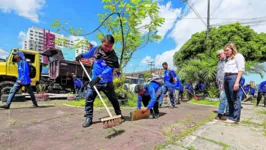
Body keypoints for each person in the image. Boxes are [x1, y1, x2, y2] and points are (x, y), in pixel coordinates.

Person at [75, 35, 123, 128]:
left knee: (113, 99)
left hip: (107, 82)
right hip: (94, 81)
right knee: (89, 98)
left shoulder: (113, 57)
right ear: (102, 42)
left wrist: (99, 78)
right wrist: (81, 56)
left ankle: (119, 114)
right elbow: (89, 54)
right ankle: (88, 117)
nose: (108, 48)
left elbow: (110, 69)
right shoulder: (96, 49)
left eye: (110, 46)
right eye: (106, 45)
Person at [223, 43, 245, 123]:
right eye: (225, 50)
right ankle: (230, 116)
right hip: (226, 77)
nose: (226, 52)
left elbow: (240, 70)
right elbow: (225, 71)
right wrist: (223, 83)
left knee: (234, 98)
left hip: (234, 77)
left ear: (232, 49)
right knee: (229, 99)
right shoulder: (227, 59)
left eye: (227, 50)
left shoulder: (238, 56)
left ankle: (235, 118)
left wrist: (236, 82)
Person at [215, 49, 228, 120]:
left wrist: (224, 81)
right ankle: (225, 112)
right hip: (220, 81)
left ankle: (221, 113)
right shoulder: (219, 63)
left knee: (223, 97)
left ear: (224, 53)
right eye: (217, 55)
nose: (218, 56)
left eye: (219, 55)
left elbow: (226, 72)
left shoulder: (228, 61)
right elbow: (218, 72)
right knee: (223, 97)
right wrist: (217, 79)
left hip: (225, 81)